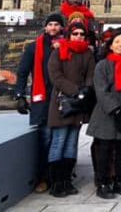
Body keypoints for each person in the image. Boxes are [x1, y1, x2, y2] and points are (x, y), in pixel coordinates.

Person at [14, 11, 65, 193]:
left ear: (61, 27)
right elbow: (22, 72)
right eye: (50, 24)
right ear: (45, 27)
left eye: (56, 24)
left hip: (60, 98)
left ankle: (58, 176)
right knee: (45, 139)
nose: (53, 27)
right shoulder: (34, 47)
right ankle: (43, 177)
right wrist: (19, 95)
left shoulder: (66, 46)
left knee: (59, 140)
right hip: (42, 99)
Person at [47, 19, 96, 198]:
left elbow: (91, 74)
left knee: (71, 143)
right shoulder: (59, 51)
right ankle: (56, 182)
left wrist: (86, 90)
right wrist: (76, 90)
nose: (79, 37)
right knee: (59, 141)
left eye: (82, 34)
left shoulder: (88, 54)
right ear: (69, 35)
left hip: (78, 103)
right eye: (75, 34)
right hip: (62, 102)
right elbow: (55, 76)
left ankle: (67, 180)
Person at [87, 30, 121, 199]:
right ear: (111, 45)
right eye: (117, 42)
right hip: (107, 113)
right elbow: (101, 90)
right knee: (104, 149)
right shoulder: (103, 65)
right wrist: (116, 110)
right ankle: (103, 182)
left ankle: (119, 180)